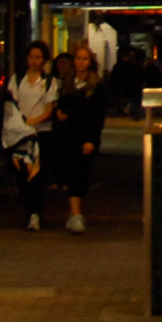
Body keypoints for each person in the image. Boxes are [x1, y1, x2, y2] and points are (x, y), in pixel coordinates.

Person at [2, 41, 60, 229]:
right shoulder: (17, 79)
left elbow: (50, 108)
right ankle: (28, 210)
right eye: (31, 57)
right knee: (22, 173)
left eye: (38, 57)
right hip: (21, 134)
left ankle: (36, 212)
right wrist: (21, 122)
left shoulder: (49, 82)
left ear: (44, 60)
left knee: (39, 174)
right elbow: (11, 103)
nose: (34, 61)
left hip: (42, 132)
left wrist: (36, 121)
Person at [49, 54, 107, 234]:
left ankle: (75, 212)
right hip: (68, 134)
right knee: (71, 171)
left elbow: (98, 114)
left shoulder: (96, 85)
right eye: (78, 59)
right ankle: (75, 213)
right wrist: (59, 113)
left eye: (85, 59)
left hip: (86, 134)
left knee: (82, 173)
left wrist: (91, 138)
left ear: (90, 62)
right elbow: (60, 105)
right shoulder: (65, 82)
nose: (81, 62)